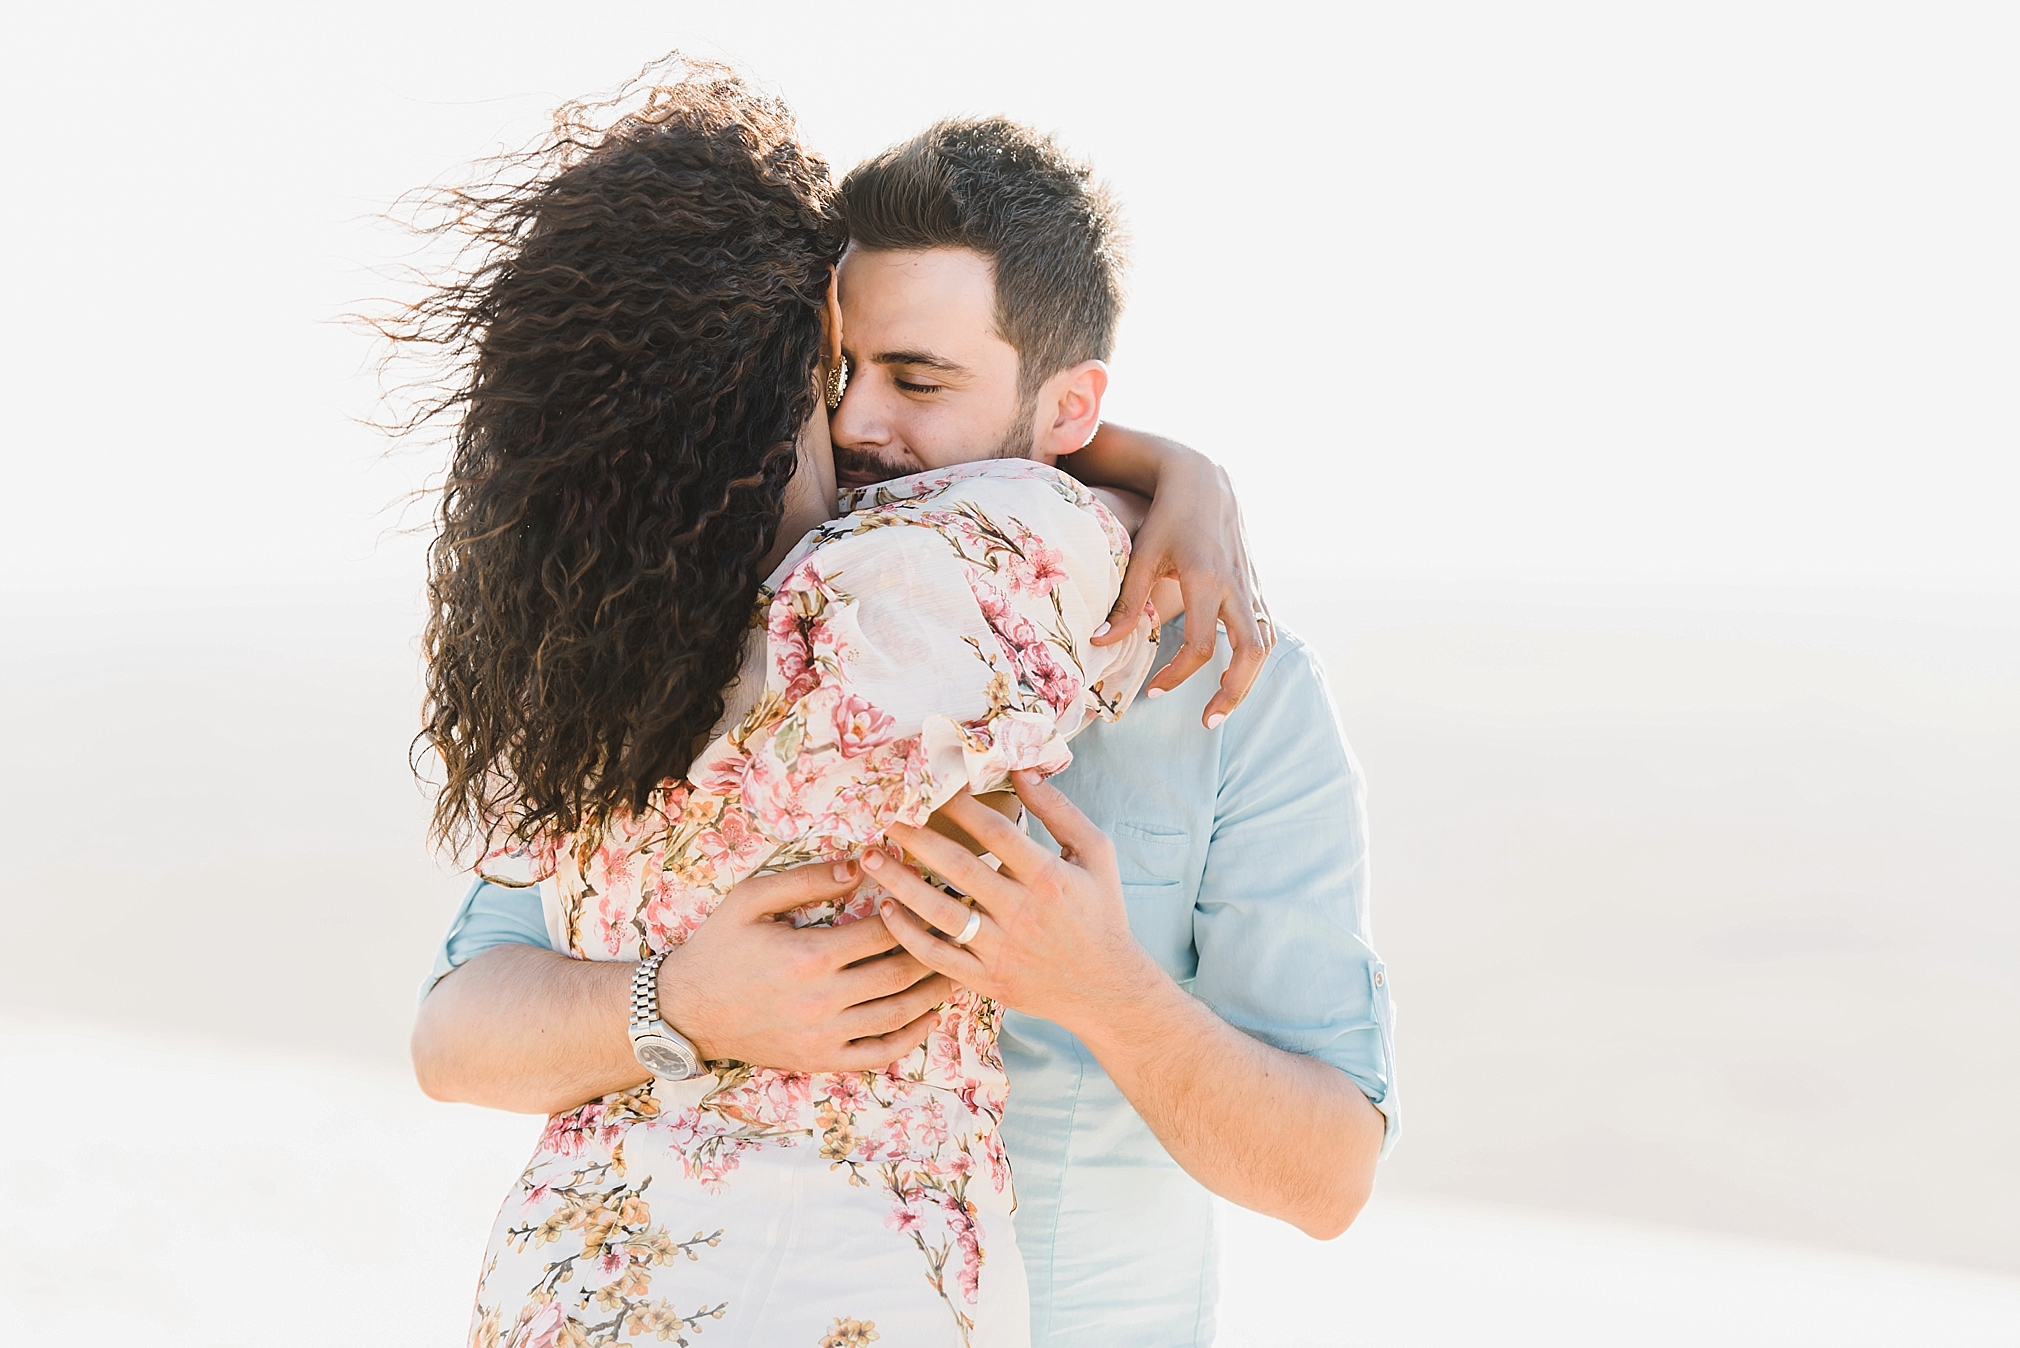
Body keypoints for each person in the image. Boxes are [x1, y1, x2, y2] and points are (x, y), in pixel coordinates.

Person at [413, 97, 1400, 1348]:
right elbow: (454, 1033)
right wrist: (681, 1002)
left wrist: (1103, 991)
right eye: (837, 374)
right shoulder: (693, 626)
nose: (860, 425)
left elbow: (1328, 1177)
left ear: (1067, 412)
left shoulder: (1230, 690)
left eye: (918, 380)